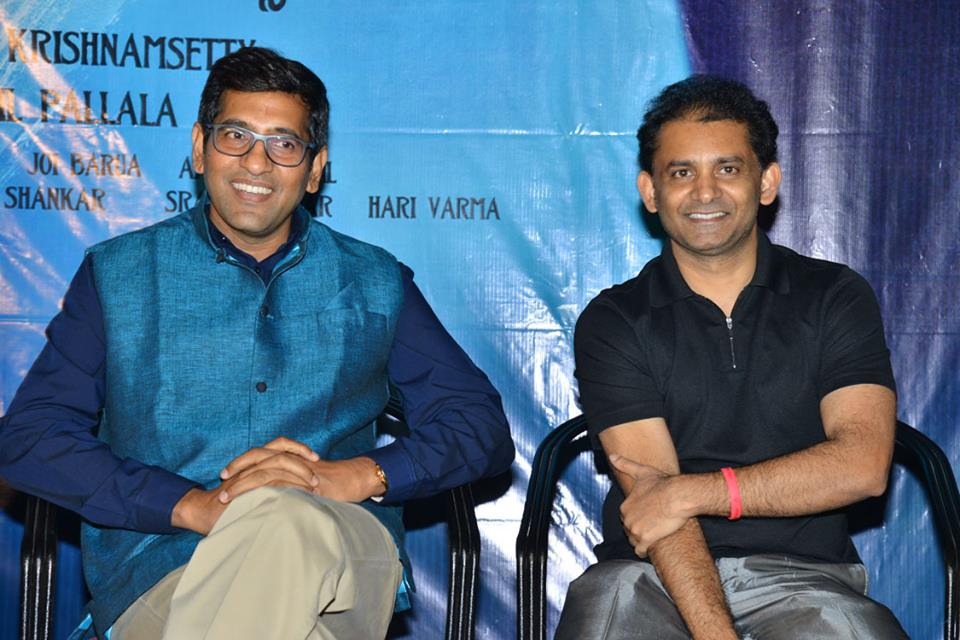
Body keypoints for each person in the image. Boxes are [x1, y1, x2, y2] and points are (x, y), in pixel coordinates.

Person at [0, 47, 513, 640]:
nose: (256, 162)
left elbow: (479, 426)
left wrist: (356, 476)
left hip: (338, 554)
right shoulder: (120, 276)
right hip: (163, 569)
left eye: (284, 144)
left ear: (315, 169)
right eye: (235, 136)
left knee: (284, 515)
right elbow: (32, 437)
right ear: (200, 148)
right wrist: (188, 505)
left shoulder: (373, 281)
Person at [556, 75, 906, 639]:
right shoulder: (615, 318)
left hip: (807, 580)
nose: (704, 193)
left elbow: (862, 466)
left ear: (766, 182)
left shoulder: (834, 295)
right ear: (650, 191)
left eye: (727, 168)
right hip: (651, 576)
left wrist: (691, 492)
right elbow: (656, 504)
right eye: (681, 172)